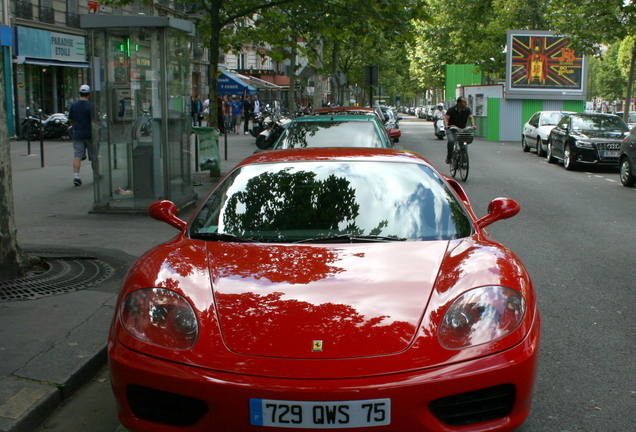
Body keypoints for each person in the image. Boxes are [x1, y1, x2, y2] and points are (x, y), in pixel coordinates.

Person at [68, 85, 96, 187]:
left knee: (77, 156)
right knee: (94, 156)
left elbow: (71, 119)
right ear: (89, 94)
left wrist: (74, 127)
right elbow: (95, 120)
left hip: (78, 133)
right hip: (90, 134)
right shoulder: (91, 105)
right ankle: (96, 175)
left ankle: (76, 176)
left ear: (79, 93)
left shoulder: (74, 105)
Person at [444, 97, 477, 164]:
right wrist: (446, 126)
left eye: (466, 102)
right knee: (451, 141)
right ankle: (449, 157)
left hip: (462, 130)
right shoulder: (451, 110)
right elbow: (446, 118)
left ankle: (463, 160)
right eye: (464, 102)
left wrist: (473, 125)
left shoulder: (467, 110)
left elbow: (471, 117)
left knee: (464, 144)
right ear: (459, 103)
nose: (466, 103)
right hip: (452, 129)